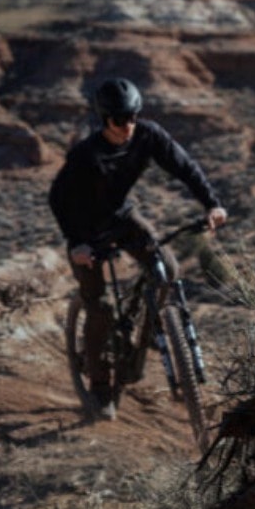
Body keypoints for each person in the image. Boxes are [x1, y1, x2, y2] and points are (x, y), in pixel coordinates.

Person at [48, 77, 227, 419]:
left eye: (132, 116)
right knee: (98, 306)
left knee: (168, 271)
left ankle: (145, 337)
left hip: (122, 218)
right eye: (119, 119)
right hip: (87, 232)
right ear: (105, 119)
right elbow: (58, 199)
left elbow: (184, 167)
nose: (128, 125)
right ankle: (101, 390)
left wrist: (212, 204)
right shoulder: (86, 155)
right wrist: (76, 243)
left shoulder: (148, 135)